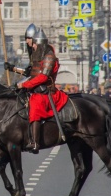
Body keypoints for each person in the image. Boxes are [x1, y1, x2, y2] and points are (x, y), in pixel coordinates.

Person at [5, 24, 68, 153]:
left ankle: (35, 143)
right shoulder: (38, 56)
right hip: (35, 89)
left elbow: (43, 77)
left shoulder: (49, 56)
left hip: (45, 92)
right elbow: (30, 73)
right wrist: (13, 69)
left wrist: (23, 85)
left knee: (35, 108)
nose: (30, 45)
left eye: (31, 41)